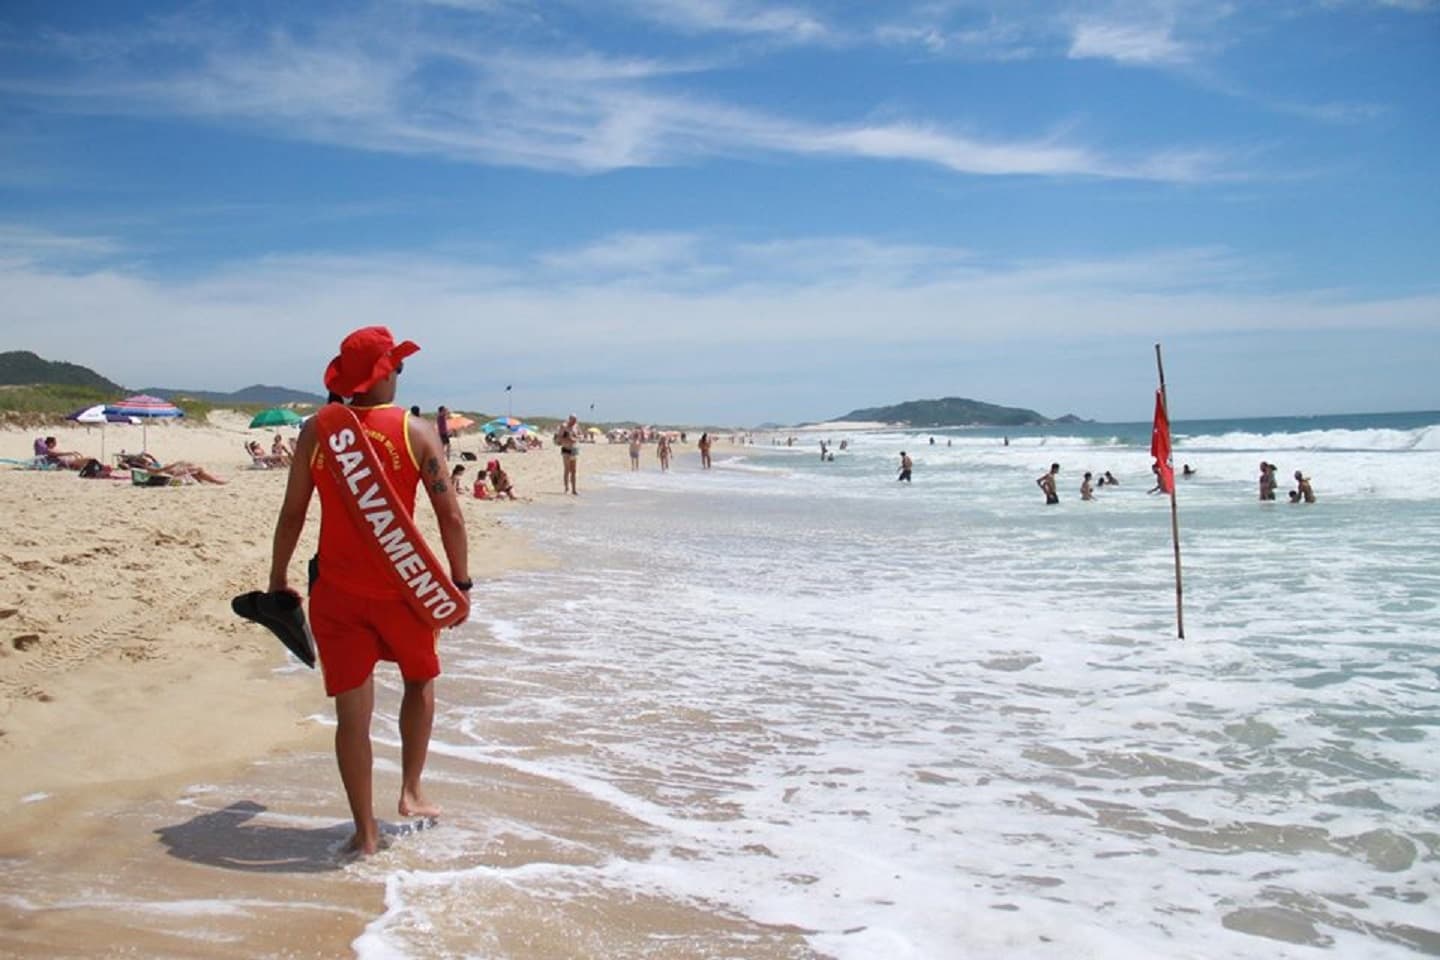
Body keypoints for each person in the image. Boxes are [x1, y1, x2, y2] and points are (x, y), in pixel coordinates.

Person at [267, 326, 470, 858]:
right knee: (420, 680)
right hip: (405, 590)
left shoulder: (318, 431)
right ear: (383, 374)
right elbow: (449, 513)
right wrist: (459, 579)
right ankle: (410, 789)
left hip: (337, 594)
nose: (402, 373)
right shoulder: (417, 432)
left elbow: (293, 514)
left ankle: (365, 833)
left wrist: (277, 576)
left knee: (351, 716)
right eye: (396, 366)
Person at [556, 414, 580, 494]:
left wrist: (574, 438)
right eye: (573, 420)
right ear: (569, 419)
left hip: (574, 449)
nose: (574, 422)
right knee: (567, 469)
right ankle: (566, 488)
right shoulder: (564, 426)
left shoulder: (576, 426)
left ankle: (574, 489)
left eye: (575, 420)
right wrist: (567, 438)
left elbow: (580, 435)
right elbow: (559, 438)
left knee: (574, 470)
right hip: (566, 449)